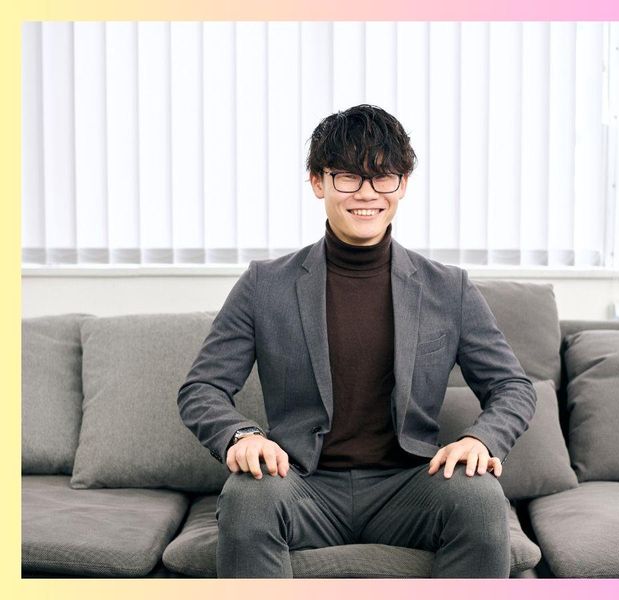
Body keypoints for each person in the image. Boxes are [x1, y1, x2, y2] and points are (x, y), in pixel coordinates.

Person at [177, 104, 537, 578]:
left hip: (410, 486)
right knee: (248, 494)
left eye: (383, 177)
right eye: (348, 177)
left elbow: (513, 387)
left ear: (403, 184)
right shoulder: (265, 284)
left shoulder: (449, 288)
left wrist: (480, 439)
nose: (367, 194)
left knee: (479, 496)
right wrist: (240, 436)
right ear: (318, 182)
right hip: (300, 485)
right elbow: (202, 389)